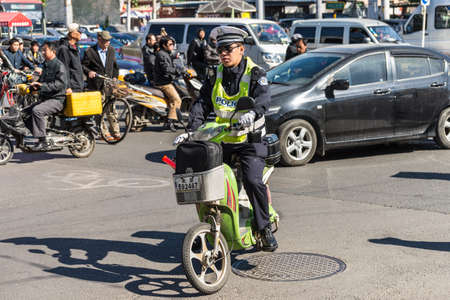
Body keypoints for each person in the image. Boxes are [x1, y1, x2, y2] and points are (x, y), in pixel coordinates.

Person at [174, 26, 277, 252]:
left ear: (241, 49)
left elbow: (263, 99)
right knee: (207, 180)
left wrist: (252, 113)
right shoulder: (215, 74)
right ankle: (217, 224)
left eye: (228, 49)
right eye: (220, 49)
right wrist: (190, 132)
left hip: (250, 142)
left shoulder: (255, 73)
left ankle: (264, 228)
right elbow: (202, 104)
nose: (223, 54)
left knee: (251, 180)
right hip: (223, 143)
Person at [25, 41, 68, 151]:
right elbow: (41, 80)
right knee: (24, 113)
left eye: (45, 50)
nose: (42, 52)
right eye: (42, 50)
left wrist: (42, 86)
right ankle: (40, 134)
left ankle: (42, 141)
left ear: (53, 51)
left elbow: (60, 84)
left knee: (37, 111)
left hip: (57, 100)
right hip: (46, 99)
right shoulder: (45, 64)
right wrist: (33, 86)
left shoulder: (59, 65)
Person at [82, 30, 120, 140]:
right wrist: (89, 72)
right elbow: (83, 66)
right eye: (105, 41)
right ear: (99, 39)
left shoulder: (111, 50)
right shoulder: (90, 51)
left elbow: (115, 67)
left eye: (108, 40)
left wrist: (114, 77)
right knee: (99, 110)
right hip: (96, 85)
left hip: (109, 85)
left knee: (111, 109)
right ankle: (103, 132)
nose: (107, 43)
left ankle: (116, 131)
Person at [154, 35, 182, 132]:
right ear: (164, 45)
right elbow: (166, 68)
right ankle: (171, 121)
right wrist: (177, 71)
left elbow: (171, 59)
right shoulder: (161, 54)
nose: (172, 46)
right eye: (170, 44)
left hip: (167, 80)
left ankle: (170, 119)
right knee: (177, 100)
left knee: (171, 102)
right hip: (163, 83)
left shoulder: (165, 53)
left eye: (172, 44)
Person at [57, 23, 84, 94]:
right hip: (71, 88)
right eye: (79, 32)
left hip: (77, 86)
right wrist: (67, 87)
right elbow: (64, 69)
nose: (81, 34)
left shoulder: (75, 47)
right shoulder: (64, 48)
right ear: (73, 34)